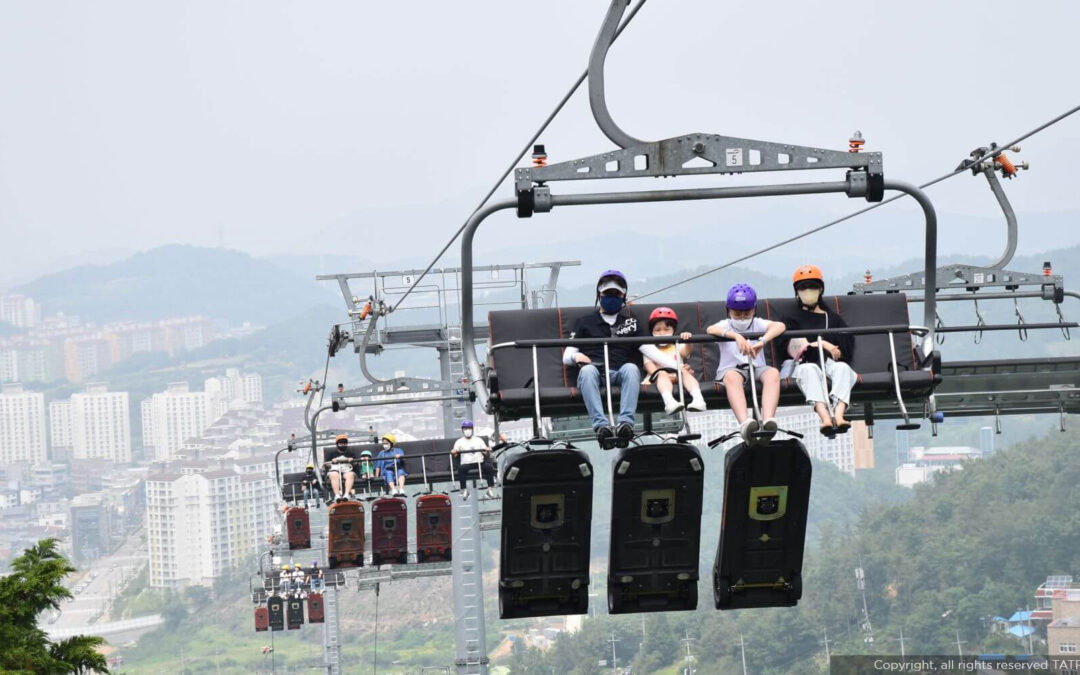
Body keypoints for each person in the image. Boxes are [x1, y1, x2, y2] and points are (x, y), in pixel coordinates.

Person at [562, 270, 684, 449]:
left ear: (623, 297)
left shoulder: (630, 323)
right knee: (587, 371)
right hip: (594, 372)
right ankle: (601, 426)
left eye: (617, 294)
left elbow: (650, 350)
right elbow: (567, 356)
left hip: (618, 372)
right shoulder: (584, 322)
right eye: (608, 293)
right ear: (599, 295)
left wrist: (678, 367)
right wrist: (576, 356)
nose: (612, 297)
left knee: (631, 368)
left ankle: (626, 423)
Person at [782, 265, 857, 436]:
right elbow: (789, 347)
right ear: (797, 292)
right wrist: (821, 343)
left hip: (829, 363)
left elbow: (845, 348)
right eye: (803, 288)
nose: (808, 291)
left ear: (820, 289)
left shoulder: (832, 319)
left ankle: (839, 414)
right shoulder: (791, 319)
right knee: (809, 370)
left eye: (812, 287)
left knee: (843, 368)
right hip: (805, 363)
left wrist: (829, 350)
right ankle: (824, 417)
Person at [707, 284, 787, 443]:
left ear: (754, 310)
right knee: (732, 377)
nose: (742, 317)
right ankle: (745, 423)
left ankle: (768, 419)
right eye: (737, 313)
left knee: (773, 373)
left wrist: (762, 341)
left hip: (756, 368)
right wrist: (736, 336)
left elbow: (780, 326)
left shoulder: (757, 323)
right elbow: (710, 329)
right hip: (732, 370)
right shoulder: (726, 325)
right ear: (728, 310)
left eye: (747, 313)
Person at [642, 307, 707, 415]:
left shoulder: (677, 345)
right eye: (657, 330)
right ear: (652, 332)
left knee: (684, 372)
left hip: (679, 377)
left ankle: (698, 399)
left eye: (666, 329)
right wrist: (674, 376)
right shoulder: (649, 349)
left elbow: (685, 353)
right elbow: (653, 371)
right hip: (657, 380)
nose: (662, 333)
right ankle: (669, 402)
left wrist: (687, 341)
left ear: (674, 330)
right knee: (662, 373)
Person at [451, 419, 495, 499]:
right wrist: (454, 452)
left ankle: (490, 489)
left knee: (488, 467)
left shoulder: (478, 440)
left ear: (472, 429)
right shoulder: (459, 442)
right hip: (466, 464)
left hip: (479, 462)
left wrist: (487, 451)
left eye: (469, 428)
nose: (467, 430)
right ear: (462, 430)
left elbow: (485, 452)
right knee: (461, 469)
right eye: (465, 429)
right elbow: (455, 454)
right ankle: (464, 489)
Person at [325, 434, 356, 502]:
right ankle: (337, 495)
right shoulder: (332, 454)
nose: (343, 445)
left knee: (350, 475)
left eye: (344, 443)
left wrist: (351, 461)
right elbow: (326, 465)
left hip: (346, 470)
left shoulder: (350, 453)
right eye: (341, 443)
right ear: (337, 444)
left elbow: (356, 464)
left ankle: (346, 494)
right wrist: (332, 461)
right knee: (334, 475)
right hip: (335, 470)